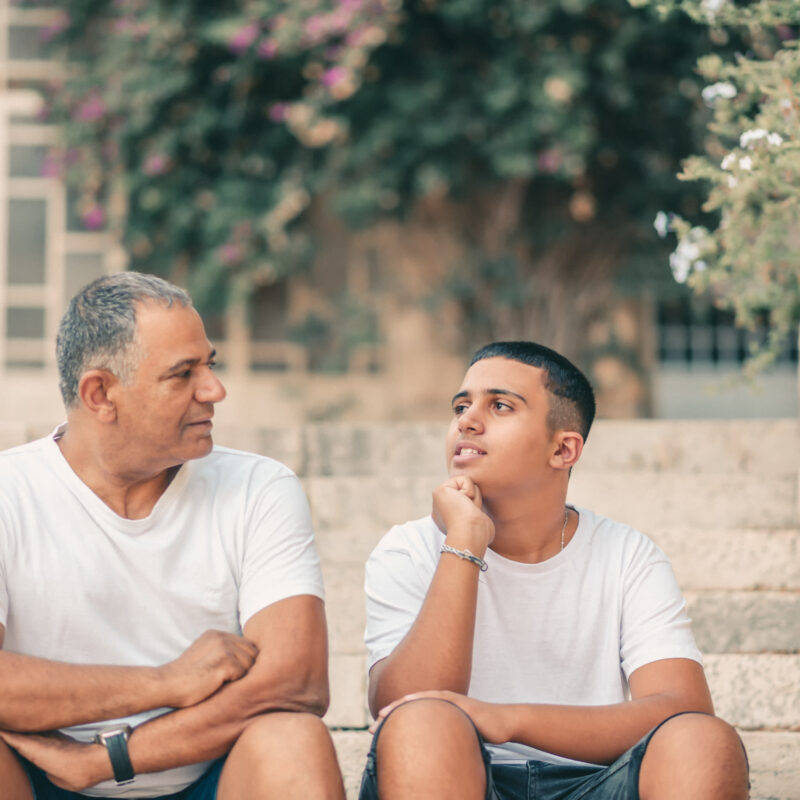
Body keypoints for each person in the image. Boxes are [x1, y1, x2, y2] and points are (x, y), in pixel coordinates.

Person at [0, 272, 345, 800]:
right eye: (183, 374)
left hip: (209, 781)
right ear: (100, 394)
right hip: (39, 781)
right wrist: (165, 682)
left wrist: (108, 759)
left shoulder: (258, 486)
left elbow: (295, 682)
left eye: (210, 364)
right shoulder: (9, 493)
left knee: (293, 737)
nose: (214, 390)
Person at [359, 341, 749, 800]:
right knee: (424, 725)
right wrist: (463, 540)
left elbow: (682, 707)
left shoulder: (626, 555)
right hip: (456, 776)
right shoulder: (408, 549)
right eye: (461, 406)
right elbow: (405, 707)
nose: (467, 420)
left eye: (500, 405)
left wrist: (508, 719)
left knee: (702, 742)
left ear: (563, 450)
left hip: (596, 783)